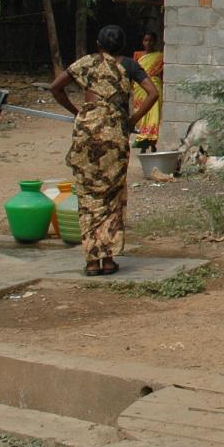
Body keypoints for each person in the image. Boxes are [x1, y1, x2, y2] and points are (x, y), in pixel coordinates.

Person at [50, 25, 158, 277]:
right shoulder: (130, 65)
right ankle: (108, 260)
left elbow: (55, 87)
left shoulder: (87, 62)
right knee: (112, 195)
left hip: (87, 134)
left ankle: (91, 261)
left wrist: (78, 113)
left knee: (88, 195)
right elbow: (152, 93)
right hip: (115, 134)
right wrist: (132, 120)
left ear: (98, 45)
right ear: (123, 45)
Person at [131, 31, 164, 152]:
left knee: (154, 116)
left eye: (151, 41)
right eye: (146, 40)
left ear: (155, 42)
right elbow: (133, 72)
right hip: (140, 87)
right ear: (142, 41)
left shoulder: (160, 56)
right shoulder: (137, 55)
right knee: (142, 114)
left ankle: (151, 141)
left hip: (155, 87)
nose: (148, 43)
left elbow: (161, 75)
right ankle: (144, 141)